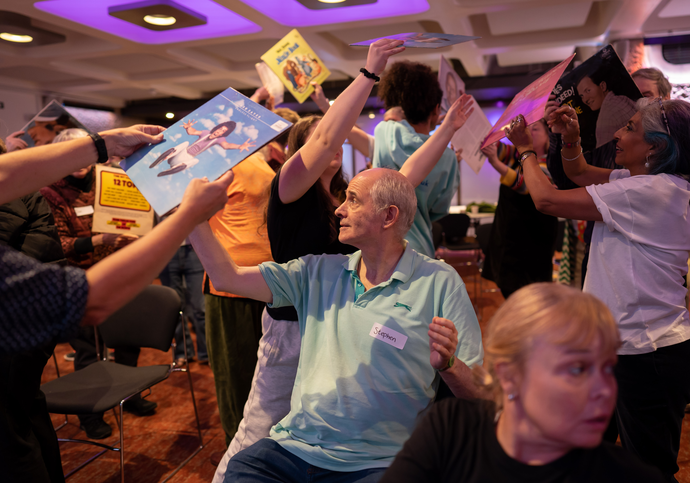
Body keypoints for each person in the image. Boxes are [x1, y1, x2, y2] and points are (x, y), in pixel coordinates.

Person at [195, 39, 480, 483]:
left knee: (333, 427)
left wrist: (446, 129)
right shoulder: (290, 191)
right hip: (296, 321)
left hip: (347, 315)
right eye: (323, 136)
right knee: (259, 432)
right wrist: (369, 73)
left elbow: (404, 182)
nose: (336, 139)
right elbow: (328, 133)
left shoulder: (349, 198)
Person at [505, 97, 690, 481]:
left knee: (649, 469)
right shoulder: (650, 184)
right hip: (633, 346)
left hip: (647, 351)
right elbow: (580, 173)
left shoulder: (651, 192)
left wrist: (525, 150)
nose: (619, 133)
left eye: (631, 128)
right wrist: (570, 139)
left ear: (655, 147)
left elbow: (546, 199)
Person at [381, 283, 664, 482]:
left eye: (608, 369)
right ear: (509, 375)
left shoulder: (628, 475)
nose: (605, 390)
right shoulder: (452, 430)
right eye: (578, 369)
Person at [0, 125, 233, 354]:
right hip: (83, 275)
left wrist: (106, 142)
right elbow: (84, 300)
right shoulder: (50, 194)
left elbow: (6, 174)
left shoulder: (105, 178)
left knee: (128, 347)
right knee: (90, 350)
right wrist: (189, 215)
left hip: (111, 265)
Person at [40, 128, 156, 440]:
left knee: (128, 340)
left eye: (83, 151)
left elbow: (134, 214)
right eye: (70, 153)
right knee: (89, 350)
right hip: (80, 281)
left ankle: (130, 395)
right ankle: (90, 412)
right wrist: (98, 239)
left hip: (119, 271)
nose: (79, 162)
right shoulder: (49, 192)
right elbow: (58, 245)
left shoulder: (110, 178)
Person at [203, 107, 300, 462]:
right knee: (238, 373)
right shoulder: (233, 161)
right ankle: (240, 455)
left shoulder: (272, 163)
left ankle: (265, 451)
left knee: (267, 376)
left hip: (270, 280)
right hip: (232, 282)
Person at [373, 60, 459, 258]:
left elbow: (392, 117)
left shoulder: (384, 132)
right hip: (420, 249)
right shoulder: (447, 157)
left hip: (380, 247)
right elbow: (438, 210)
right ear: (436, 109)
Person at [480, 120, 558, 299]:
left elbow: (526, 185)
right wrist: (486, 139)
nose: (530, 131)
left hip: (533, 243)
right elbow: (498, 148)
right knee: (509, 290)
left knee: (531, 294)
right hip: (510, 238)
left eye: (536, 129)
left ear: (548, 137)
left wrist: (494, 162)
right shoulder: (517, 155)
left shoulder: (550, 163)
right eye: (528, 128)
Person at [149, 119, 255, 176]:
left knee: (196, 160)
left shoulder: (219, 140)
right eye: (220, 129)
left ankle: (172, 170)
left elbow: (227, 145)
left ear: (224, 134)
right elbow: (193, 132)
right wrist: (188, 127)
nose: (220, 131)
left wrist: (240, 146)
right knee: (185, 143)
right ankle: (162, 158)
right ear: (217, 128)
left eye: (223, 131)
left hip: (185, 159)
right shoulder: (206, 132)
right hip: (178, 154)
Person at [576, 70, 637, 148]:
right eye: (582, 96)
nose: (585, 100)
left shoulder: (606, 116)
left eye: (588, 91)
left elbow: (604, 156)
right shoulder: (621, 99)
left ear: (603, 86)